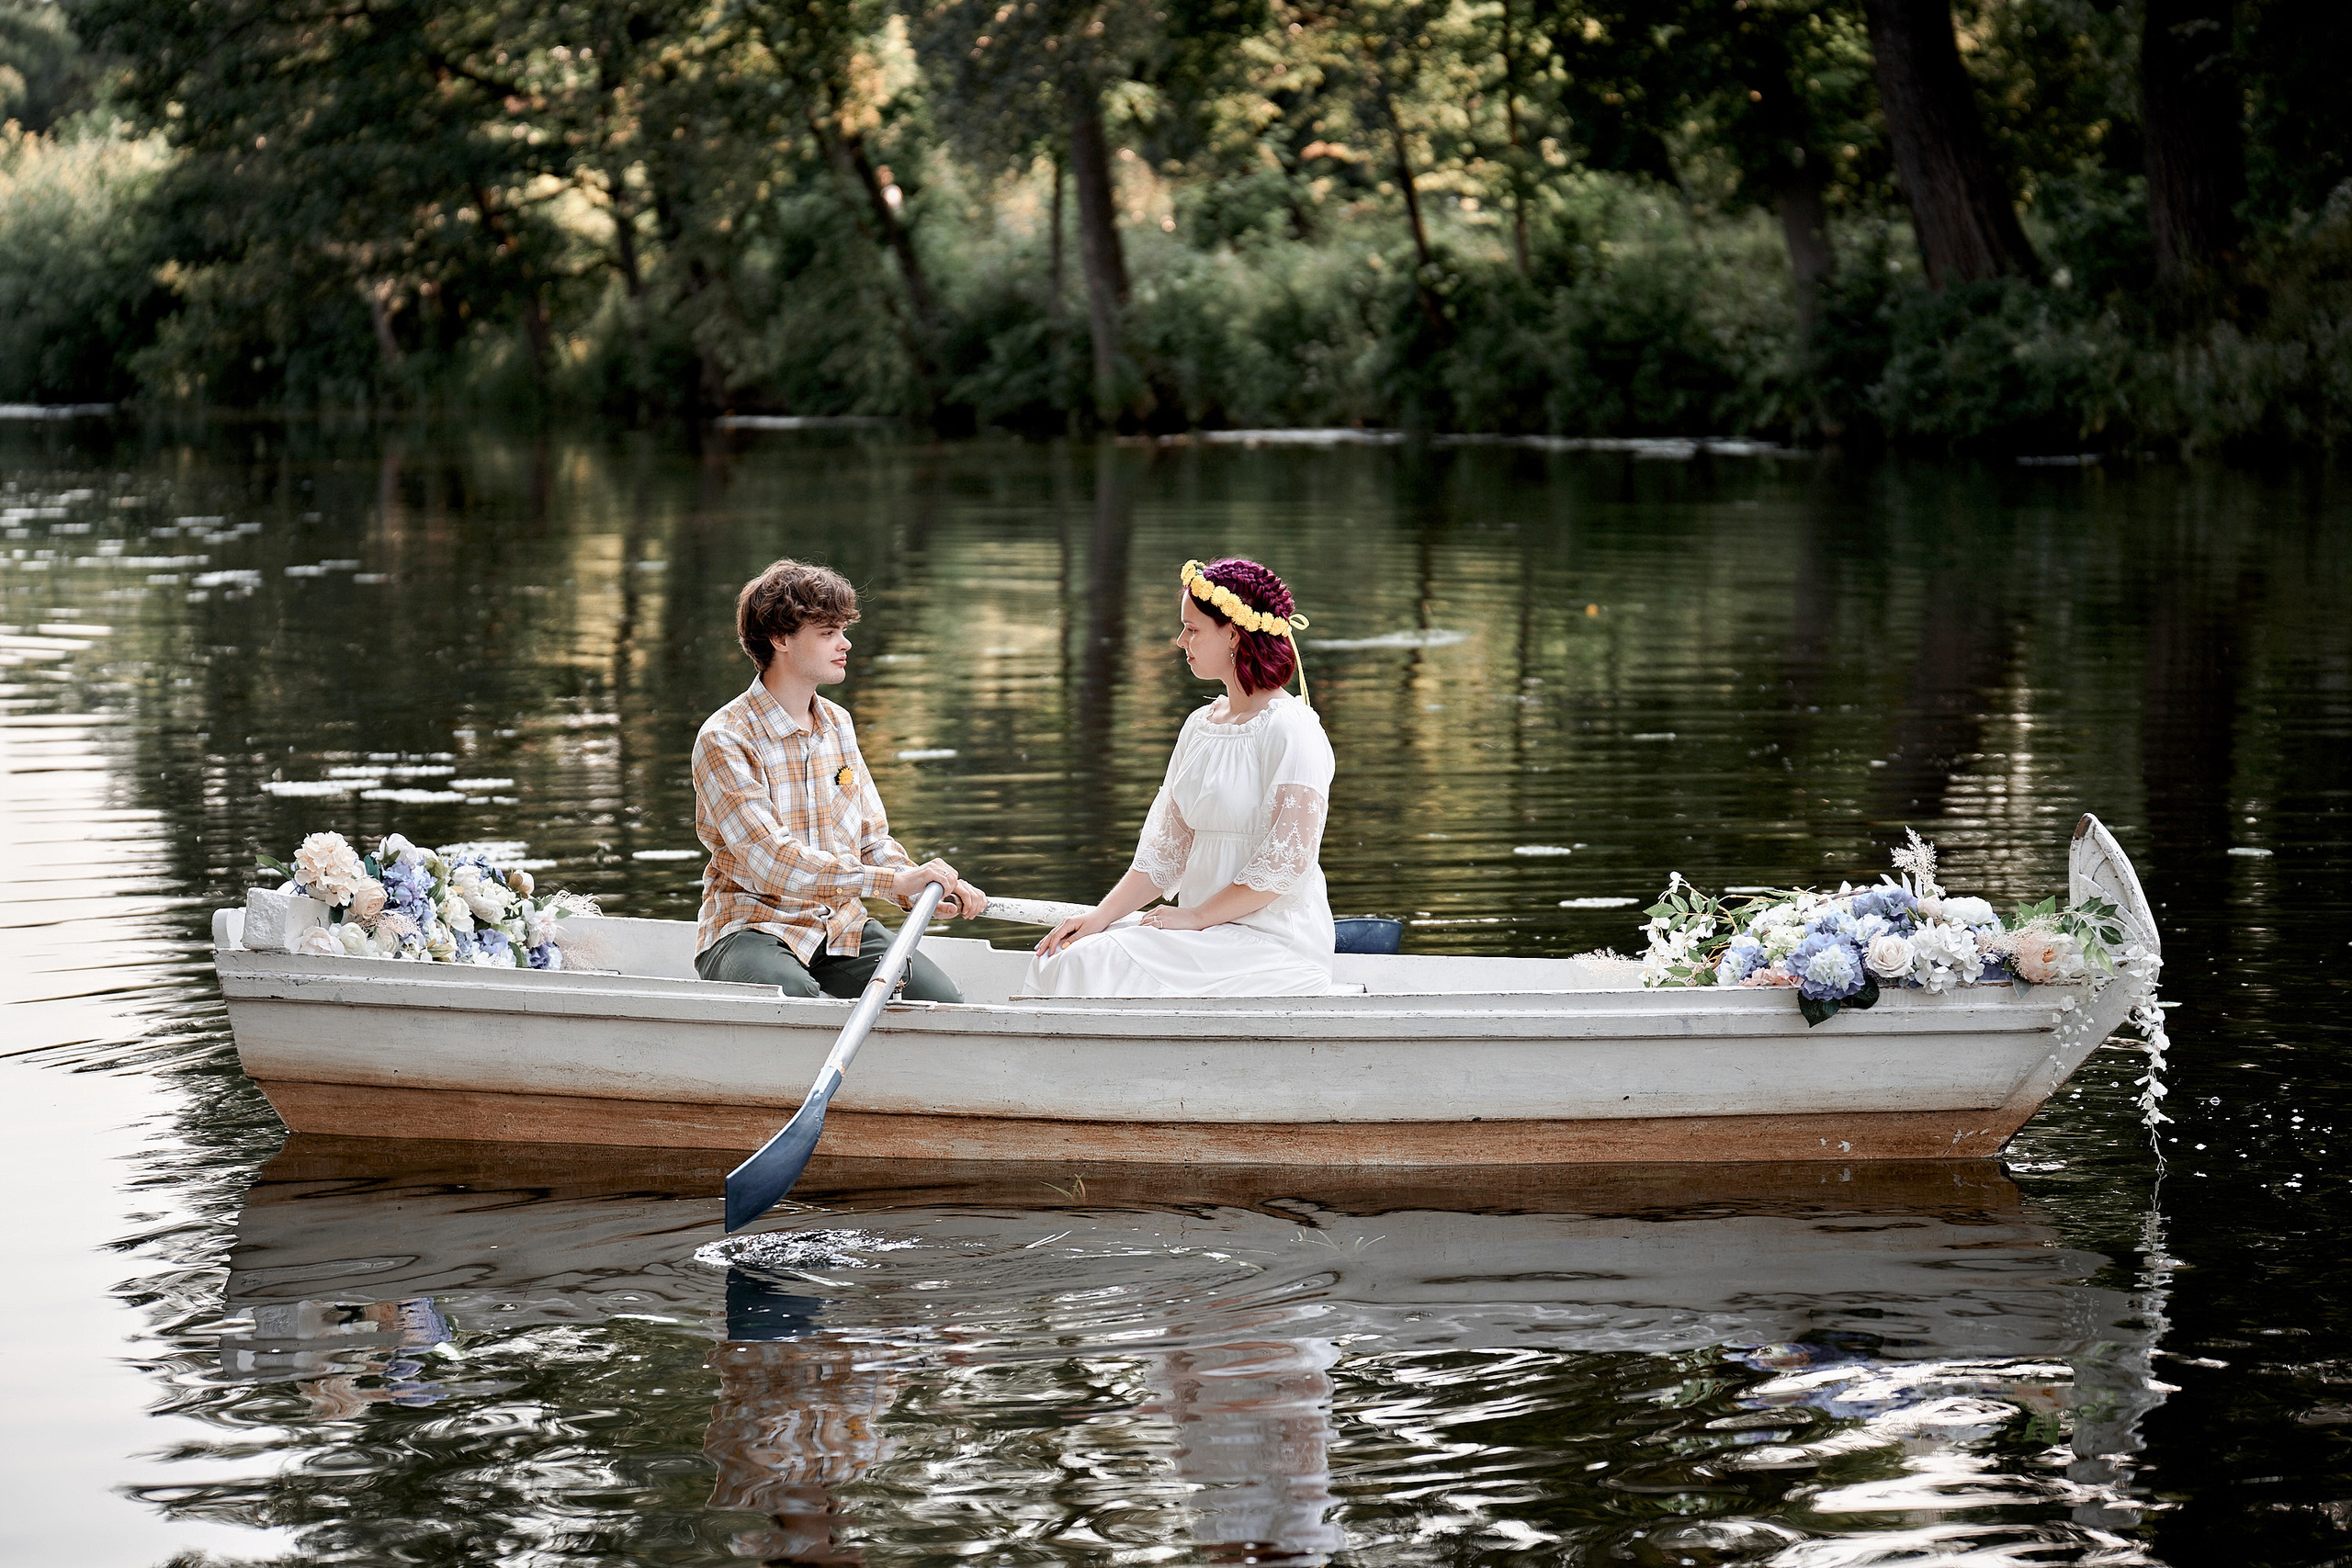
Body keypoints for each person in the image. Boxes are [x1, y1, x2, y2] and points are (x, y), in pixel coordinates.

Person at [1027, 557, 1335, 997]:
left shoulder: (1292, 729)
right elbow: (1163, 856)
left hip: (1271, 943)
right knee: (1068, 954)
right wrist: (1099, 917)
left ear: (1233, 634)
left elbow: (1286, 865)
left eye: (1192, 629)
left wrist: (1195, 918)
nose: (1180, 640)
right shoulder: (1200, 726)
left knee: (1093, 966)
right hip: (1200, 935)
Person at [692, 558, 986, 1001]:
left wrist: (921, 885)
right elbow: (771, 862)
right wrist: (890, 884)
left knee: (941, 1001)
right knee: (792, 998)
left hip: (841, 927)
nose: (844, 644)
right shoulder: (724, 738)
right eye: (827, 633)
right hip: (749, 926)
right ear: (779, 639)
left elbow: (871, 839)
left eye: (842, 631)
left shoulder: (837, 722)